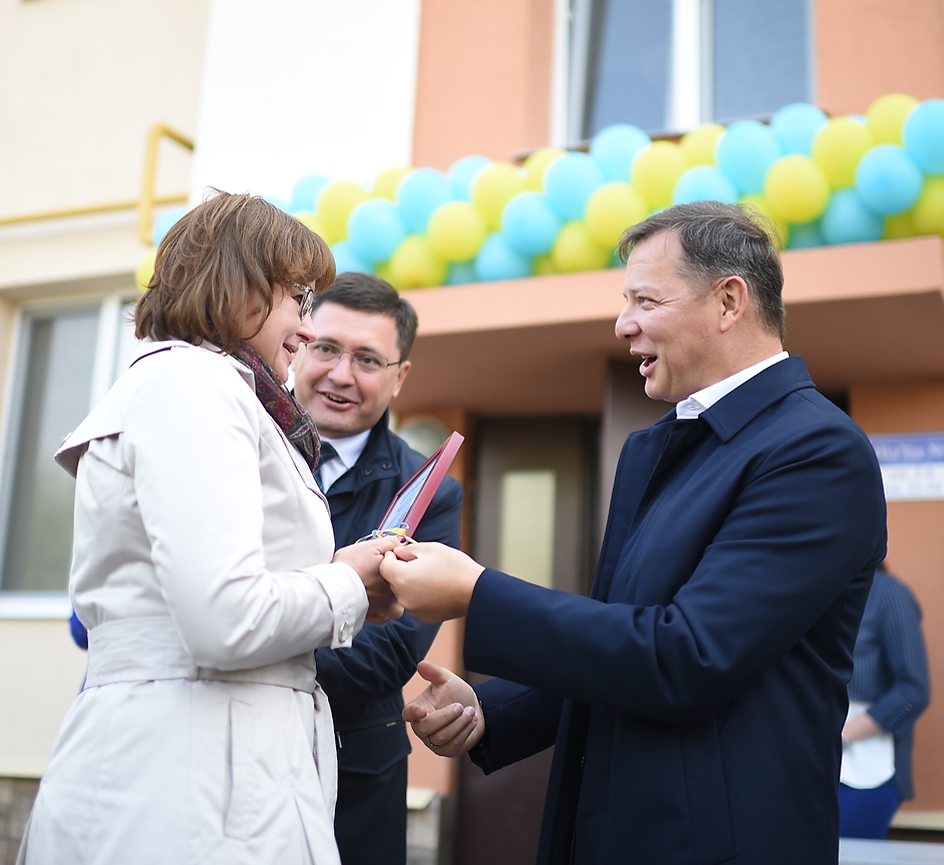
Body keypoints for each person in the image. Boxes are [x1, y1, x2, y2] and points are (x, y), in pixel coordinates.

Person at [380, 202, 888, 865]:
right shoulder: (659, 447)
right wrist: (487, 709)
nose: (623, 324)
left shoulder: (817, 451)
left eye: (644, 300)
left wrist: (477, 592)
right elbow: (623, 642)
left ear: (728, 301)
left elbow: (687, 657)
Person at [17, 192, 402, 865]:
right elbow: (225, 617)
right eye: (298, 299)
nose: (306, 326)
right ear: (242, 285)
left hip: (207, 764)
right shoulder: (192, 384)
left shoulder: (207, 388)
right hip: (184, 779)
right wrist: (348, 582)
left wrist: (346, 581)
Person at [291, 273, 463, 865]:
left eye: (367, 359)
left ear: (400, 376)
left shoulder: (430, 492)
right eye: (326, 348)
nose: (341, 375)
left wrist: (244, 641)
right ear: (299, 345)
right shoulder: (242, 450)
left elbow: (392, 650)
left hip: (353, 775)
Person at [839, 564, 930, 839]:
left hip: (865, 765)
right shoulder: (810, 589)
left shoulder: (888, 593)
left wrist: (841, 736)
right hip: (805, 760)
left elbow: (913, 690)